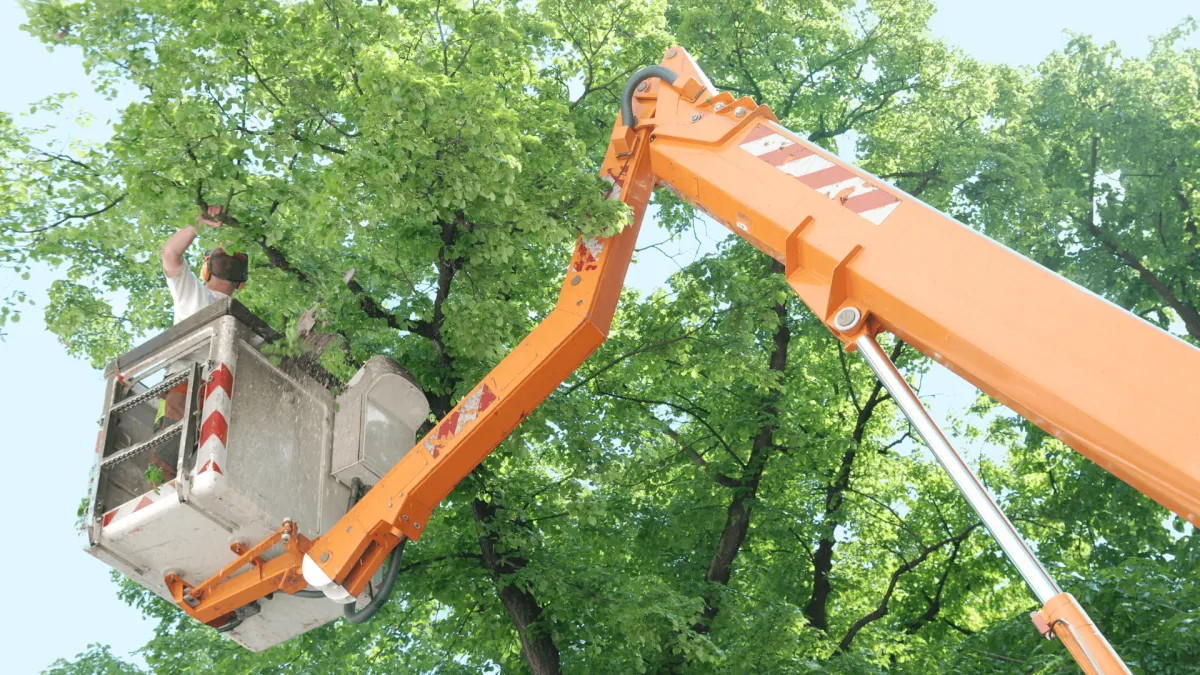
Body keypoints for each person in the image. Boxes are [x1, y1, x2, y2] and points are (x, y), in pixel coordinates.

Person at [152, 205, 249, 444]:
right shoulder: (192, 291)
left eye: (233, 261)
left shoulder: (244, 322)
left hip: (225, 397)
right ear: (206, 267)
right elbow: (170, 254)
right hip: (183, 386)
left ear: (242, 281)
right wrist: (199, 222)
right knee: (169, 466)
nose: (227, 262)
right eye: (221, 257)